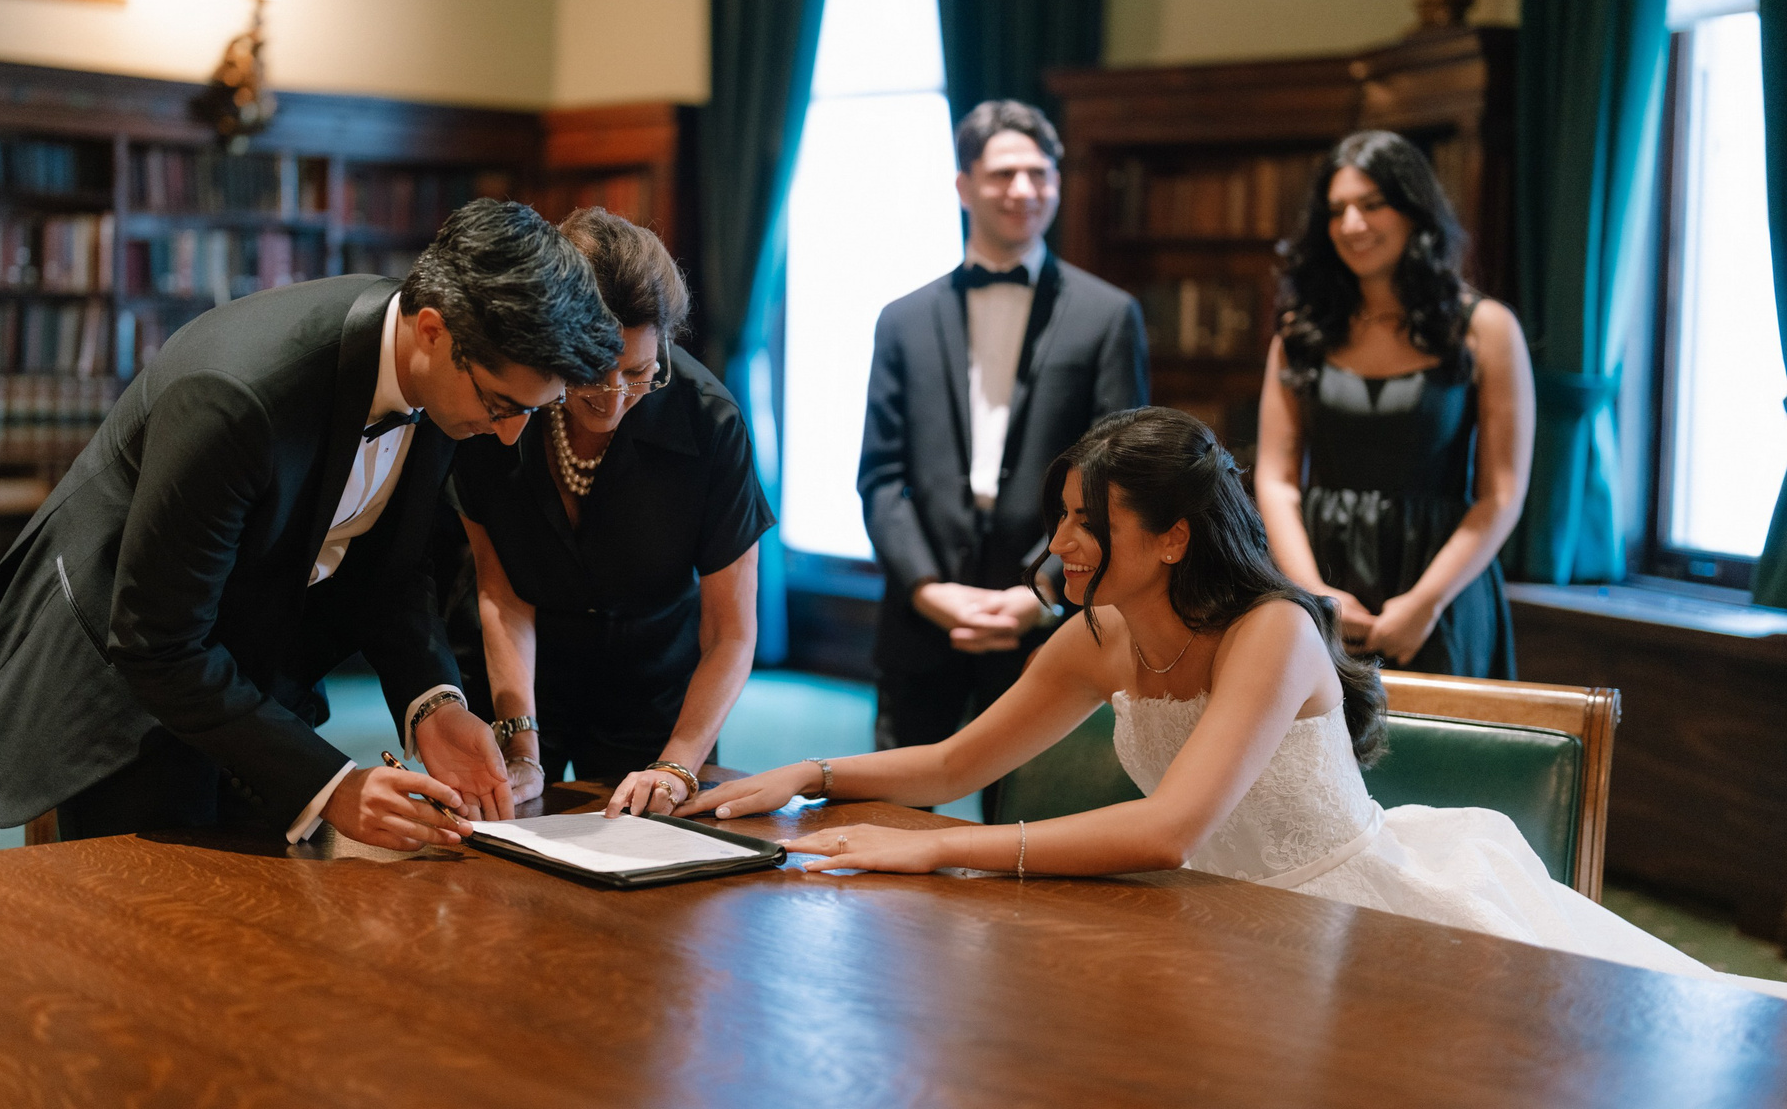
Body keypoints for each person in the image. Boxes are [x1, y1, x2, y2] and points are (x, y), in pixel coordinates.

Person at [685, 408, 1787, 998]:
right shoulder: (1099, 636)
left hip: (1360, 925)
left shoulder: (1272, 631)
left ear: (1172, 538)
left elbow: (1169, 830)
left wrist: (937, 852)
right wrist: (807, 775)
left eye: (1088, 523)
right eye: (1063, 516)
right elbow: (952, 764)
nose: (1062, 543)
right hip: (1211, 932)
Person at [0, 200, 623, 853]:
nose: (509, 436)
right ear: (431, 331)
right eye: (502, 405)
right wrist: (333, 787)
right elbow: (156, 643)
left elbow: (392, 568)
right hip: (122, 691)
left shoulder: (446, 384)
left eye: (533, 411)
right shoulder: (237, 398)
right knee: (152, 914)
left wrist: (435, 705)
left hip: (254, 663)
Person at [448, 208, 773, 819]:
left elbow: (731, 633)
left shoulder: (710, 423)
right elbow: (501, 593)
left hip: (658, 690)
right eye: (591, 370)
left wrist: (677, 764)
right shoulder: (502, 404)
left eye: (639, 372)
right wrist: (522, 748)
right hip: (516, 680)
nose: (615, 396)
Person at [859, 99, 1148, 759]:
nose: (1024, 190)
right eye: (1003, 175)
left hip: (1052, 614)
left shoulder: (1108, 316)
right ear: (964, 187)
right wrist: (928, 589)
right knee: (894, 800)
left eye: (1039, 174)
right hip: (921, 617)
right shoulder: (901, 320)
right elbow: (881, 476)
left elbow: (1116, 477)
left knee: (1029, 811)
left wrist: (1040, 589)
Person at [1254, 130, 1533, 676]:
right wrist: (1312, 593)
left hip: (1443, 586)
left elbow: (1501, 494)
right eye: (1337, 211)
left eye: (1372, 204)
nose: (1352, 225)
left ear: (1414, 211)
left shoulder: (1486, 328)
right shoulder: (1299, 334)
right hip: (1321, 578)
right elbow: (1276, 480)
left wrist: (1426, 602)